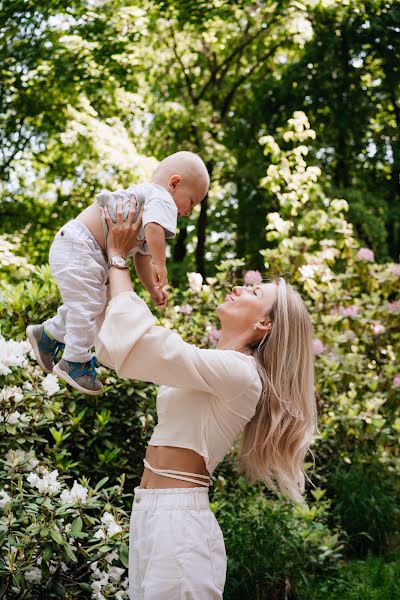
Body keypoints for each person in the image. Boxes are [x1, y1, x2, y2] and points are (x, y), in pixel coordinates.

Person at [94, 197, 318, 599]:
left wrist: (119, 258)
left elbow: (144, 346)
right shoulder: (218, 364)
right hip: (151, 512)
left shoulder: (241, 375)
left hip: (178, 523)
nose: (237, 286)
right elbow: (120, 349)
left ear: (264, 322)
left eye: (252, 290)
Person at [27, 151, 209, 395]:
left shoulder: (147, 203)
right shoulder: (162, 197)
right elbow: (154, 230)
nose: (189, 212)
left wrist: (151, 287)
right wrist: (161, 265)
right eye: (192, 201)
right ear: (174, 183)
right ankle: (75, 360)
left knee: (92, 303)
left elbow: (140, 257)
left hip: (82, 249)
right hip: (82, 247)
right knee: (88, 305)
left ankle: (48, 335)